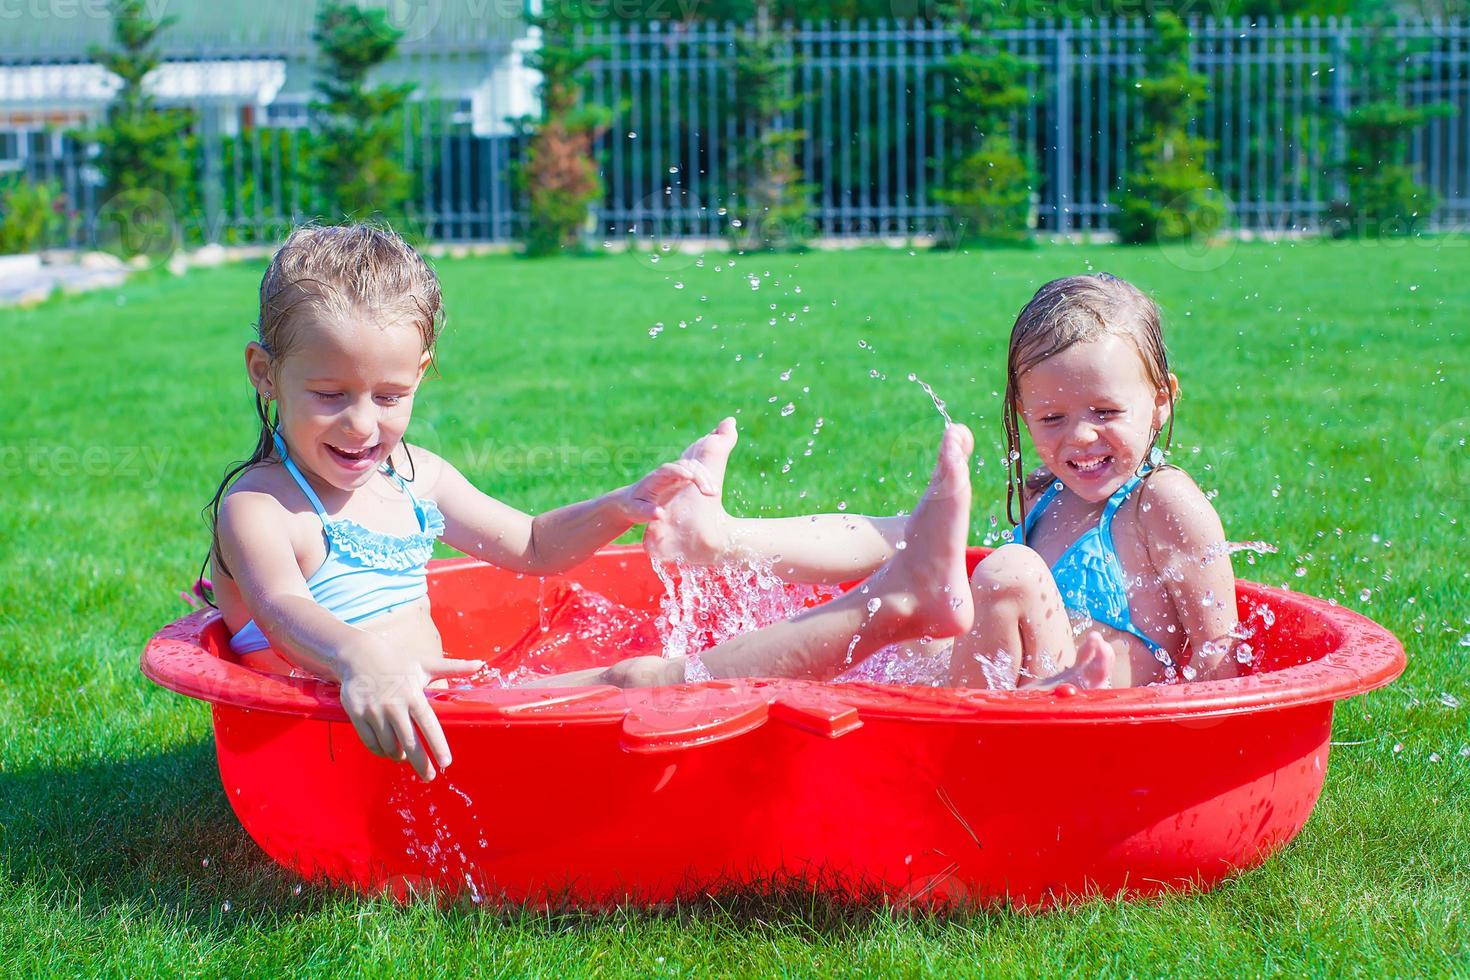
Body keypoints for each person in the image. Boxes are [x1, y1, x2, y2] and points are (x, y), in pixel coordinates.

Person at [204, 224, 980, 783]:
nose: (364, 423)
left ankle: (904, 602)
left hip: (451, 715)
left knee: (657, 657)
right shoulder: (261, 507)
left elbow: (536, 545)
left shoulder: (415, 478)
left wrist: (623, 503)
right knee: (638, 680)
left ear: (422, 374)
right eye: (330, 395)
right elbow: (280, 609)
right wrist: (361, 659)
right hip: (350, 745)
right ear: (264, 374)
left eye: (390, 394)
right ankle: (893, 602)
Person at [557, 272, 1241, 690]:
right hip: (1016, 686)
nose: (1080, 438)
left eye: (1105, 412)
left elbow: (1215, 653)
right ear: (1021, 414)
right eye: (1052, 417)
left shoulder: (1162, 502)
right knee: (909, 550)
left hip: (1089, 708)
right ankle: (723, 538)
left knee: (1003, 574)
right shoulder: (1047, 496)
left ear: (1163, 400)